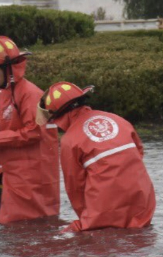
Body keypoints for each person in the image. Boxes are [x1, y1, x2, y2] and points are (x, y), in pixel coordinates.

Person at [35, 82, 156, 233]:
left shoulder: (70, 140)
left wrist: (86, 218)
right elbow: (138, 152)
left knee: (74, 242)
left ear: (59, 116)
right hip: (143, 199)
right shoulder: (117, 119)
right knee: (138, 241)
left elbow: (75, 187)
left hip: (104, 207)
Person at [0, 36, 60, 224]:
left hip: (31, 178)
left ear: (7, 68)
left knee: (19, 226)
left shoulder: (30, 94)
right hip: (13, 173)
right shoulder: (4, 93)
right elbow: (3, 125)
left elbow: (35, 132)